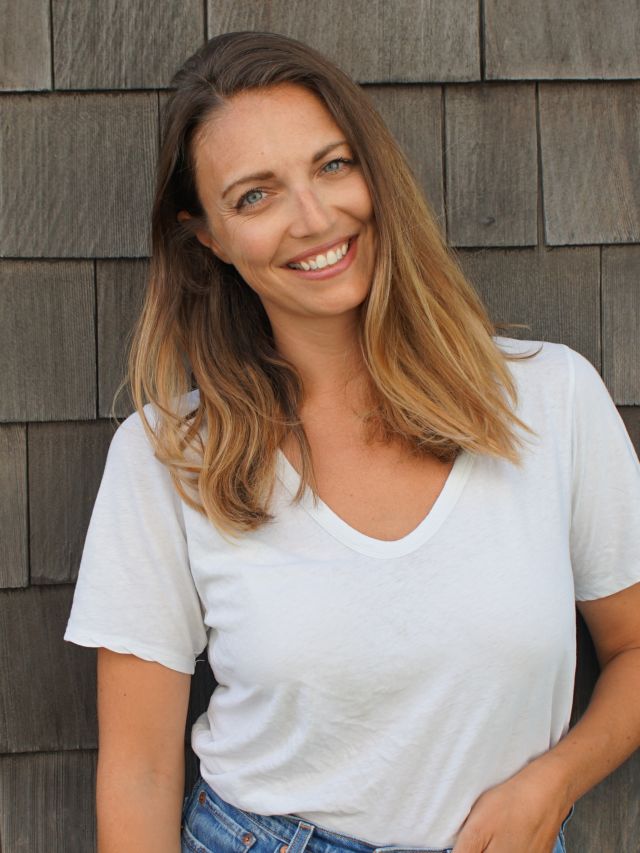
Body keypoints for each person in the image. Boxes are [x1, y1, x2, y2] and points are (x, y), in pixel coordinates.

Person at [64, 30, 640, 853]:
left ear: (376, 171)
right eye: (254, 196)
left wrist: (554, 782)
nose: (314, 218)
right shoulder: (168, 455)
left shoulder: (551, 399)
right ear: (209, 238)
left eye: (332, 166)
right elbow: (139, 774)